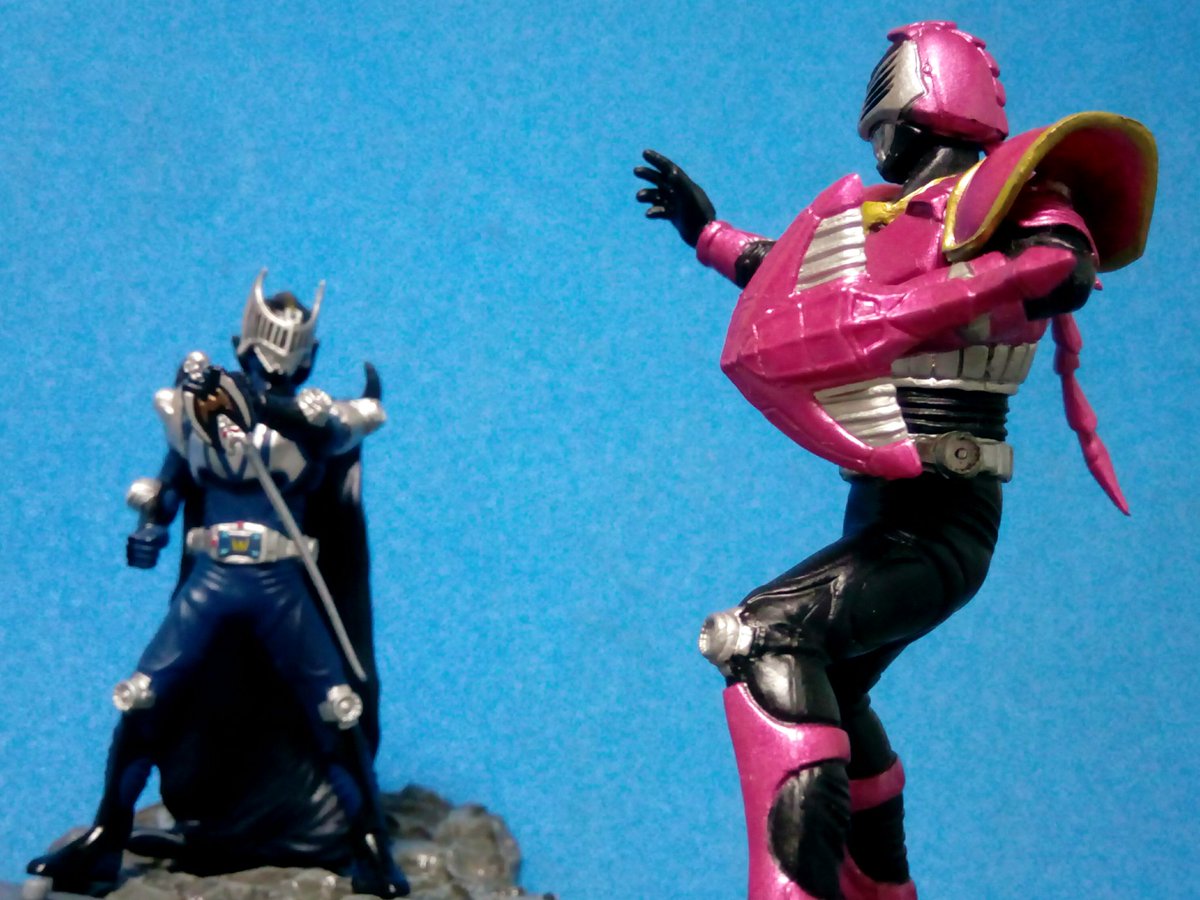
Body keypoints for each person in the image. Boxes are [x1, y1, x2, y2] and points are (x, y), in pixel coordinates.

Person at [637, 20, 1157, 900]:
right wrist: (708, 232)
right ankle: (878, 887)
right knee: (834, 684)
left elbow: (1060, 267)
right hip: (885, 506)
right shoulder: (891, 218)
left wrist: (920, 308)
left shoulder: (1010, 197)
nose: (874, 139)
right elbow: (802, 290)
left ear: (913, 109)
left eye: (882, 120)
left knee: (762, 640)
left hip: (943, 515)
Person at [28, 271, 409, 898]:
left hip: (279, 585)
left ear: (309, 359)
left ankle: (370, 849)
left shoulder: (310, 419)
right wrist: (152, 525)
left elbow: (342, 424)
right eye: (261, 355)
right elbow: (172, 486)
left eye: (291, 357)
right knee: (144, 697)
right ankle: (105, 839)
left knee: (336, 709)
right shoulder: (196, 420)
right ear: (241, 347)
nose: (275, 366)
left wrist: (244, 403)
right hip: (211, 581)